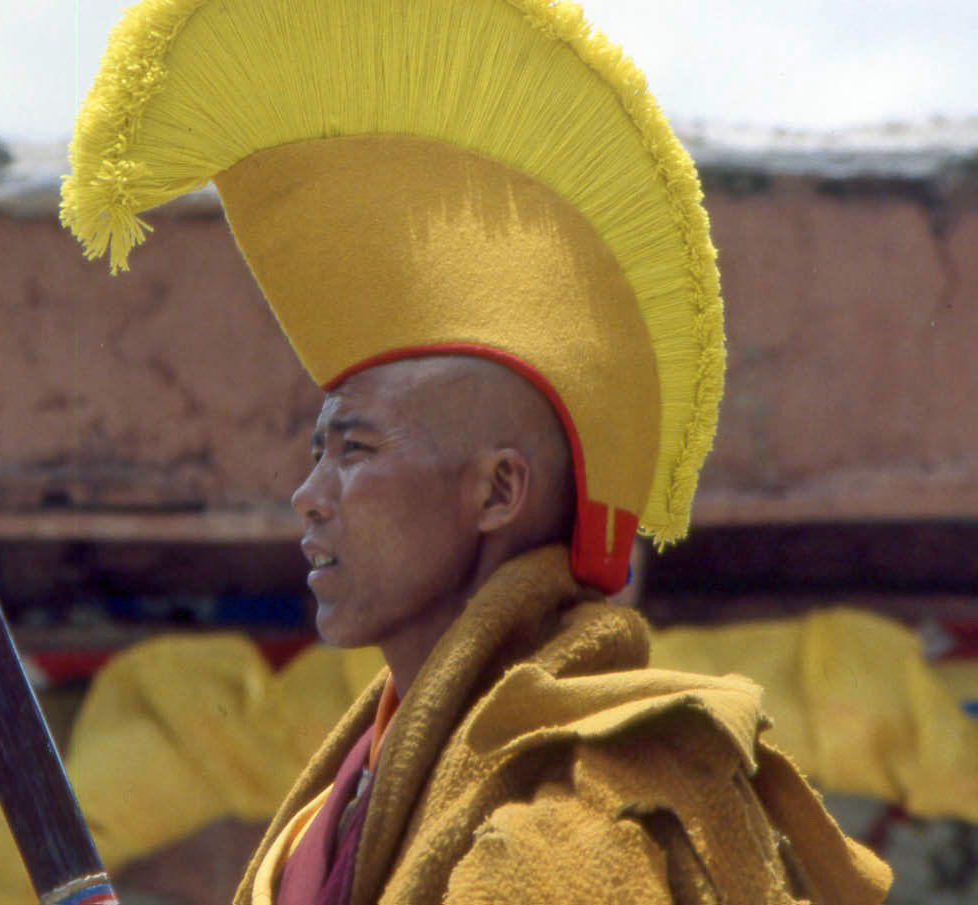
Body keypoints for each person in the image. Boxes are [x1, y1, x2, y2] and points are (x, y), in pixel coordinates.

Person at [60, 1, 894, 902]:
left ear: (498, 490)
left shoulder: (576, 824)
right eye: (315, 450)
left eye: (354, 447)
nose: (308, 494)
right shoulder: (342, 802)